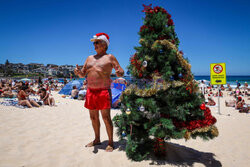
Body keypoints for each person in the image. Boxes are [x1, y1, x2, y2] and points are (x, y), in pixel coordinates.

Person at [74, 33, 124, 152]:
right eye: (94, 43)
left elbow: (120, 72)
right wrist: (78, 72)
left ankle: (111, 142)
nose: (94, 45)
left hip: (103, 91)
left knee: (106, 118)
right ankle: (97, 139)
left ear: (104, 44)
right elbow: (82, 74)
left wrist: (120, 71)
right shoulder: (89, 58)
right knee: (93, 117)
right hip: (91, 91)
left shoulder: (110, 57)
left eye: (96, 42)